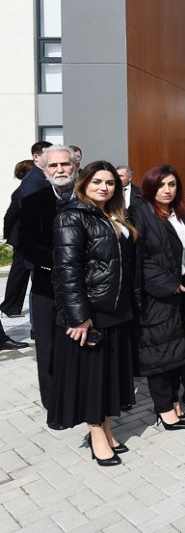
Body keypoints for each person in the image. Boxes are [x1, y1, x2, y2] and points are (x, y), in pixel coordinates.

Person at [49, 161, 137, 466]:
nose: (104, 187)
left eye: (110, 182)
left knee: (107, 378)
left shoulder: (113, 215)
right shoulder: (72, 216)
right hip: (91, 314)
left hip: (116, 311)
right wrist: (78, 316)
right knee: (93, 379)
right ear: (84, 183)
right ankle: (97, 435)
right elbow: (66, 270)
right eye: (97, 181)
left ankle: (107, 429)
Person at [128, 165, 185, 430]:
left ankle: (174, 401)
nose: (167, 190)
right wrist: (168, 285)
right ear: (150, 188)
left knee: (178, 351)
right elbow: (139, 259)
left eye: (172, 184)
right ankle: (163, 408)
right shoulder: (140, 213)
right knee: (159, 353)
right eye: (160, 185)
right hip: (157, 295)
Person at [17, 146, 79, 409]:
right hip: (47, 285)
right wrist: (59, 263)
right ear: (44, 171)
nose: (60, 170)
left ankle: (84, 396)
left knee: (83, 344)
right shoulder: (33, 201)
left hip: (85, 286)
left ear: (76, 166)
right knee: (48, 346)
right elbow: (25, 244)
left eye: (65, 164)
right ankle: (53, 403)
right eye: (53, 166)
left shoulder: (90, 197)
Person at [1, 160, 37, 318]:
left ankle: (11, 307)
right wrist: (8, 236)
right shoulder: (22, 191)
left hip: (29, 238)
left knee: (22, 273)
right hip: (22, 239)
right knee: (19, 273)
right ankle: (9, 307)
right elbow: (10, 216)